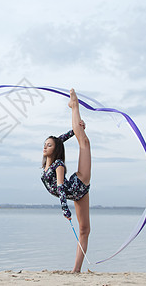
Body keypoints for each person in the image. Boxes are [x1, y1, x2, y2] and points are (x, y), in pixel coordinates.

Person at [41, 88, 91, 273]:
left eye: (49, 145)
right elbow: (59, 140)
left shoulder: (58, 164)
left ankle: (74, 106)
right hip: (76, 195)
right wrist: (74, 130)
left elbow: (61, 188)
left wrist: (65, 209)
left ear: (55, 150)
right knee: (84, 230)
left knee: (84, 142)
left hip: (79, 184)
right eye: (44, 144)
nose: (45, 146)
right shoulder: (47, 162)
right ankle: (76, 271)